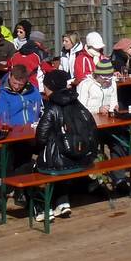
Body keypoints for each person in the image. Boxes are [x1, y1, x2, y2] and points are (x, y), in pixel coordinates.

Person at [33, 69, 98, 221]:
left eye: (45, 86)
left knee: (32, 168)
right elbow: (92, 127)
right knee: (59, 162)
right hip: (82, 159)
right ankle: (62, 203)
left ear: (50, 87)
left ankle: (43, 208)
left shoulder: (52, 107)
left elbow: (41, 138)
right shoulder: (77, 103)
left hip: (59, 164)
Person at [76, 59, 131, 195]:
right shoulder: (85, 85)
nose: (108, 80)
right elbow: (79, 109)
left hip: (107, 124)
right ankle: (97, 181)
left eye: (110, 77)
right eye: (104, 77)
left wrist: (114, 108)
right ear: (97, 75)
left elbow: (113, 102)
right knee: (105, 143)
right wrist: (98, 109)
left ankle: (119, 179)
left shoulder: (112, 83)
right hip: (88, 126)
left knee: (119, 140)